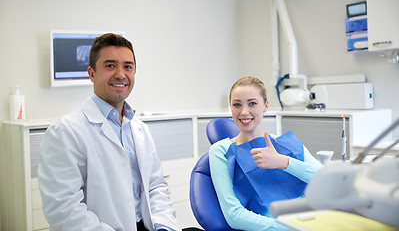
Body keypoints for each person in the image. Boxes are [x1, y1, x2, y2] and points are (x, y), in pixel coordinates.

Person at [38, 33, 181, 231]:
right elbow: (64, 210)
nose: (121, 74)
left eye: (128, 67)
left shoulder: (140, 130)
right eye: (110, 65)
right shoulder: (65, 132)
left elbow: (155, 186)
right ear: (92, 74)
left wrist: (165, 226)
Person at [209, 76, 323, 231]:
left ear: (265, 106)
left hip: (315, 218)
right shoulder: (221, 151)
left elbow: (325, 178)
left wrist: (283, 162)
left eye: (252, 103)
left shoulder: (284, 143)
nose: (244, 112)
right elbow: (234, 215)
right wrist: (290, 228)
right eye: (237, 104)